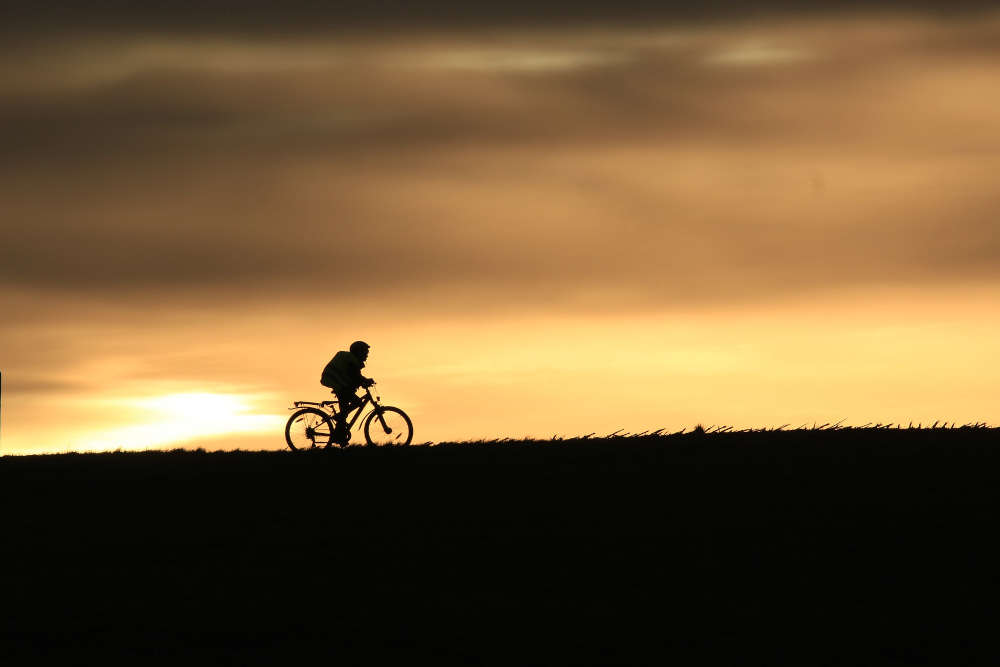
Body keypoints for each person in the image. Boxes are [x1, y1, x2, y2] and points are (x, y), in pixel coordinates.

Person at [320, 341, 375, 442]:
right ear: (358, 352)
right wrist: (365, 381)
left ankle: (339, 435)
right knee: (357, 402)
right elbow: (355, 375)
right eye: (365, 352)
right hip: (338, 383)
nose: (367, 355)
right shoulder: (352, 360)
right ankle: (339, 420)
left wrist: (362, 382)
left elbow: (354, 377)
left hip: (338, 383)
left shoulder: (350, 359)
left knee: (344, 412)